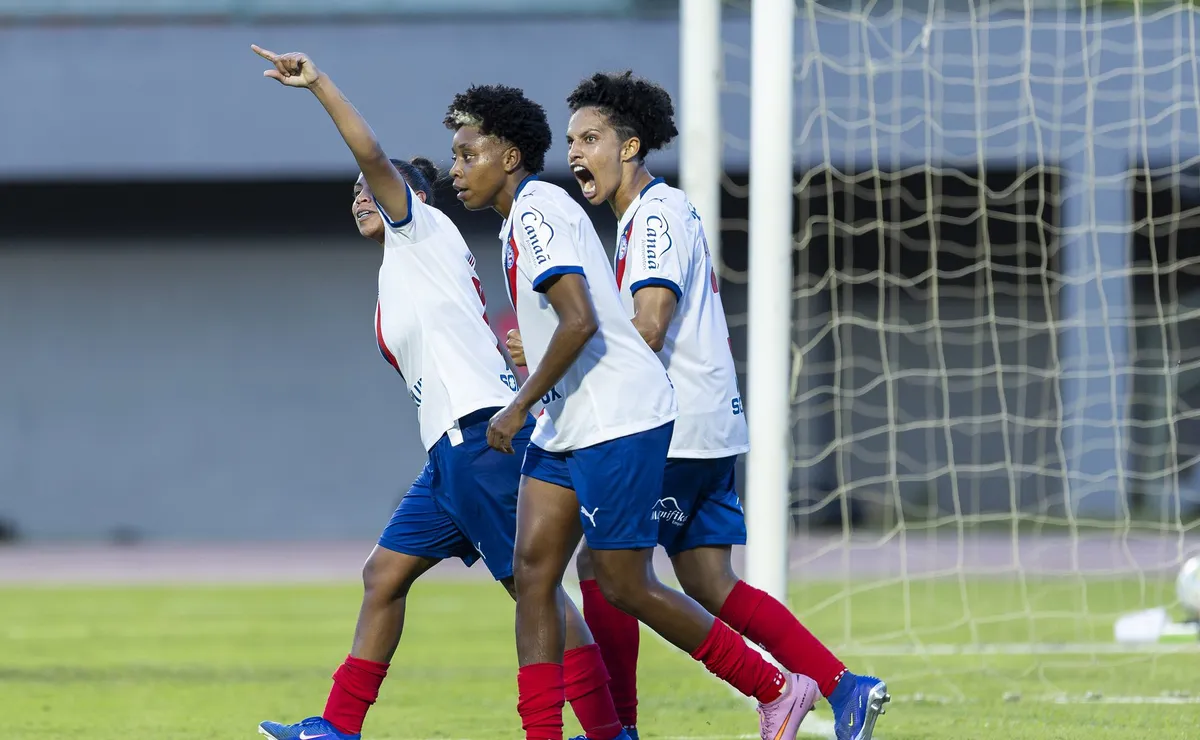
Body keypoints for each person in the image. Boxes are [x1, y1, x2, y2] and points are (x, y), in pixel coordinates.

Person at [248, 47, 627, 740]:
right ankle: (338, 727)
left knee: (535, 595)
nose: (362, 195)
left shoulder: (417, 227)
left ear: (408, 194)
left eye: (375, 187)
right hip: (451, 453)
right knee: (383, 575)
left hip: (481, 441)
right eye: (356, 194)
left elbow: (370, 155)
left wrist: (319, 85)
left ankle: (608, 732)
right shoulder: (408, 263)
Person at [443, 82, 818, 740]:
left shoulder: (536, 211)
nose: (455, 169)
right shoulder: (521, 220)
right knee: (534, 574)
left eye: (466, 154)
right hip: (570, 423)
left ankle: (776, 688)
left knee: (624, 583)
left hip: (620, 417)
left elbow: (581, 320)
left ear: (506, 157)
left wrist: (516, 405)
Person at [544, 70, 890, 740]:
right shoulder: (654, 216)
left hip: (671, 430)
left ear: (632, 145)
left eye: (591, 138)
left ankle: (621, 727)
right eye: (571, 141)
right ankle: (847, 688)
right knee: (707, 578)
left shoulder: (651, 218)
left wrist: (570, 364)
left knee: (606, 571)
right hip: (709, 427)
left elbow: (649, 322)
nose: (576, 153)